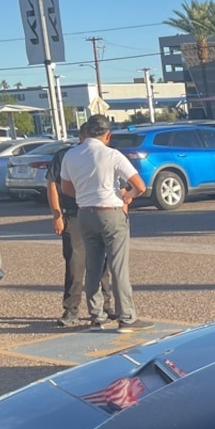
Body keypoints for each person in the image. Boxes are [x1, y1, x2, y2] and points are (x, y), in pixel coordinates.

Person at [60, 114, 153, 331]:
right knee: (118, 266)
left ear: (85, 133)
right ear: (107, 135)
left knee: (93, 266)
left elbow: (66, 188)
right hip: (110, 211)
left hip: (84, 213)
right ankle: (127, 317)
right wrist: (126, 196)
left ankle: (96, 316)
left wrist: (85, 195)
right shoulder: (112, 155)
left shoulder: (70, 155)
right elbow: (139, 185)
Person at [46, 123, 115, 327]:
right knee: (75, 264)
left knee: (103, 263)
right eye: (86, 136)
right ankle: (71, 310)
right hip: (74, 215)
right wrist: (56, 215)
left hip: (99, 212)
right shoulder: (65, 155)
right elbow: (52, 184)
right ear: (80, 137)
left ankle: (105, 306)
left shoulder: (106, 154)